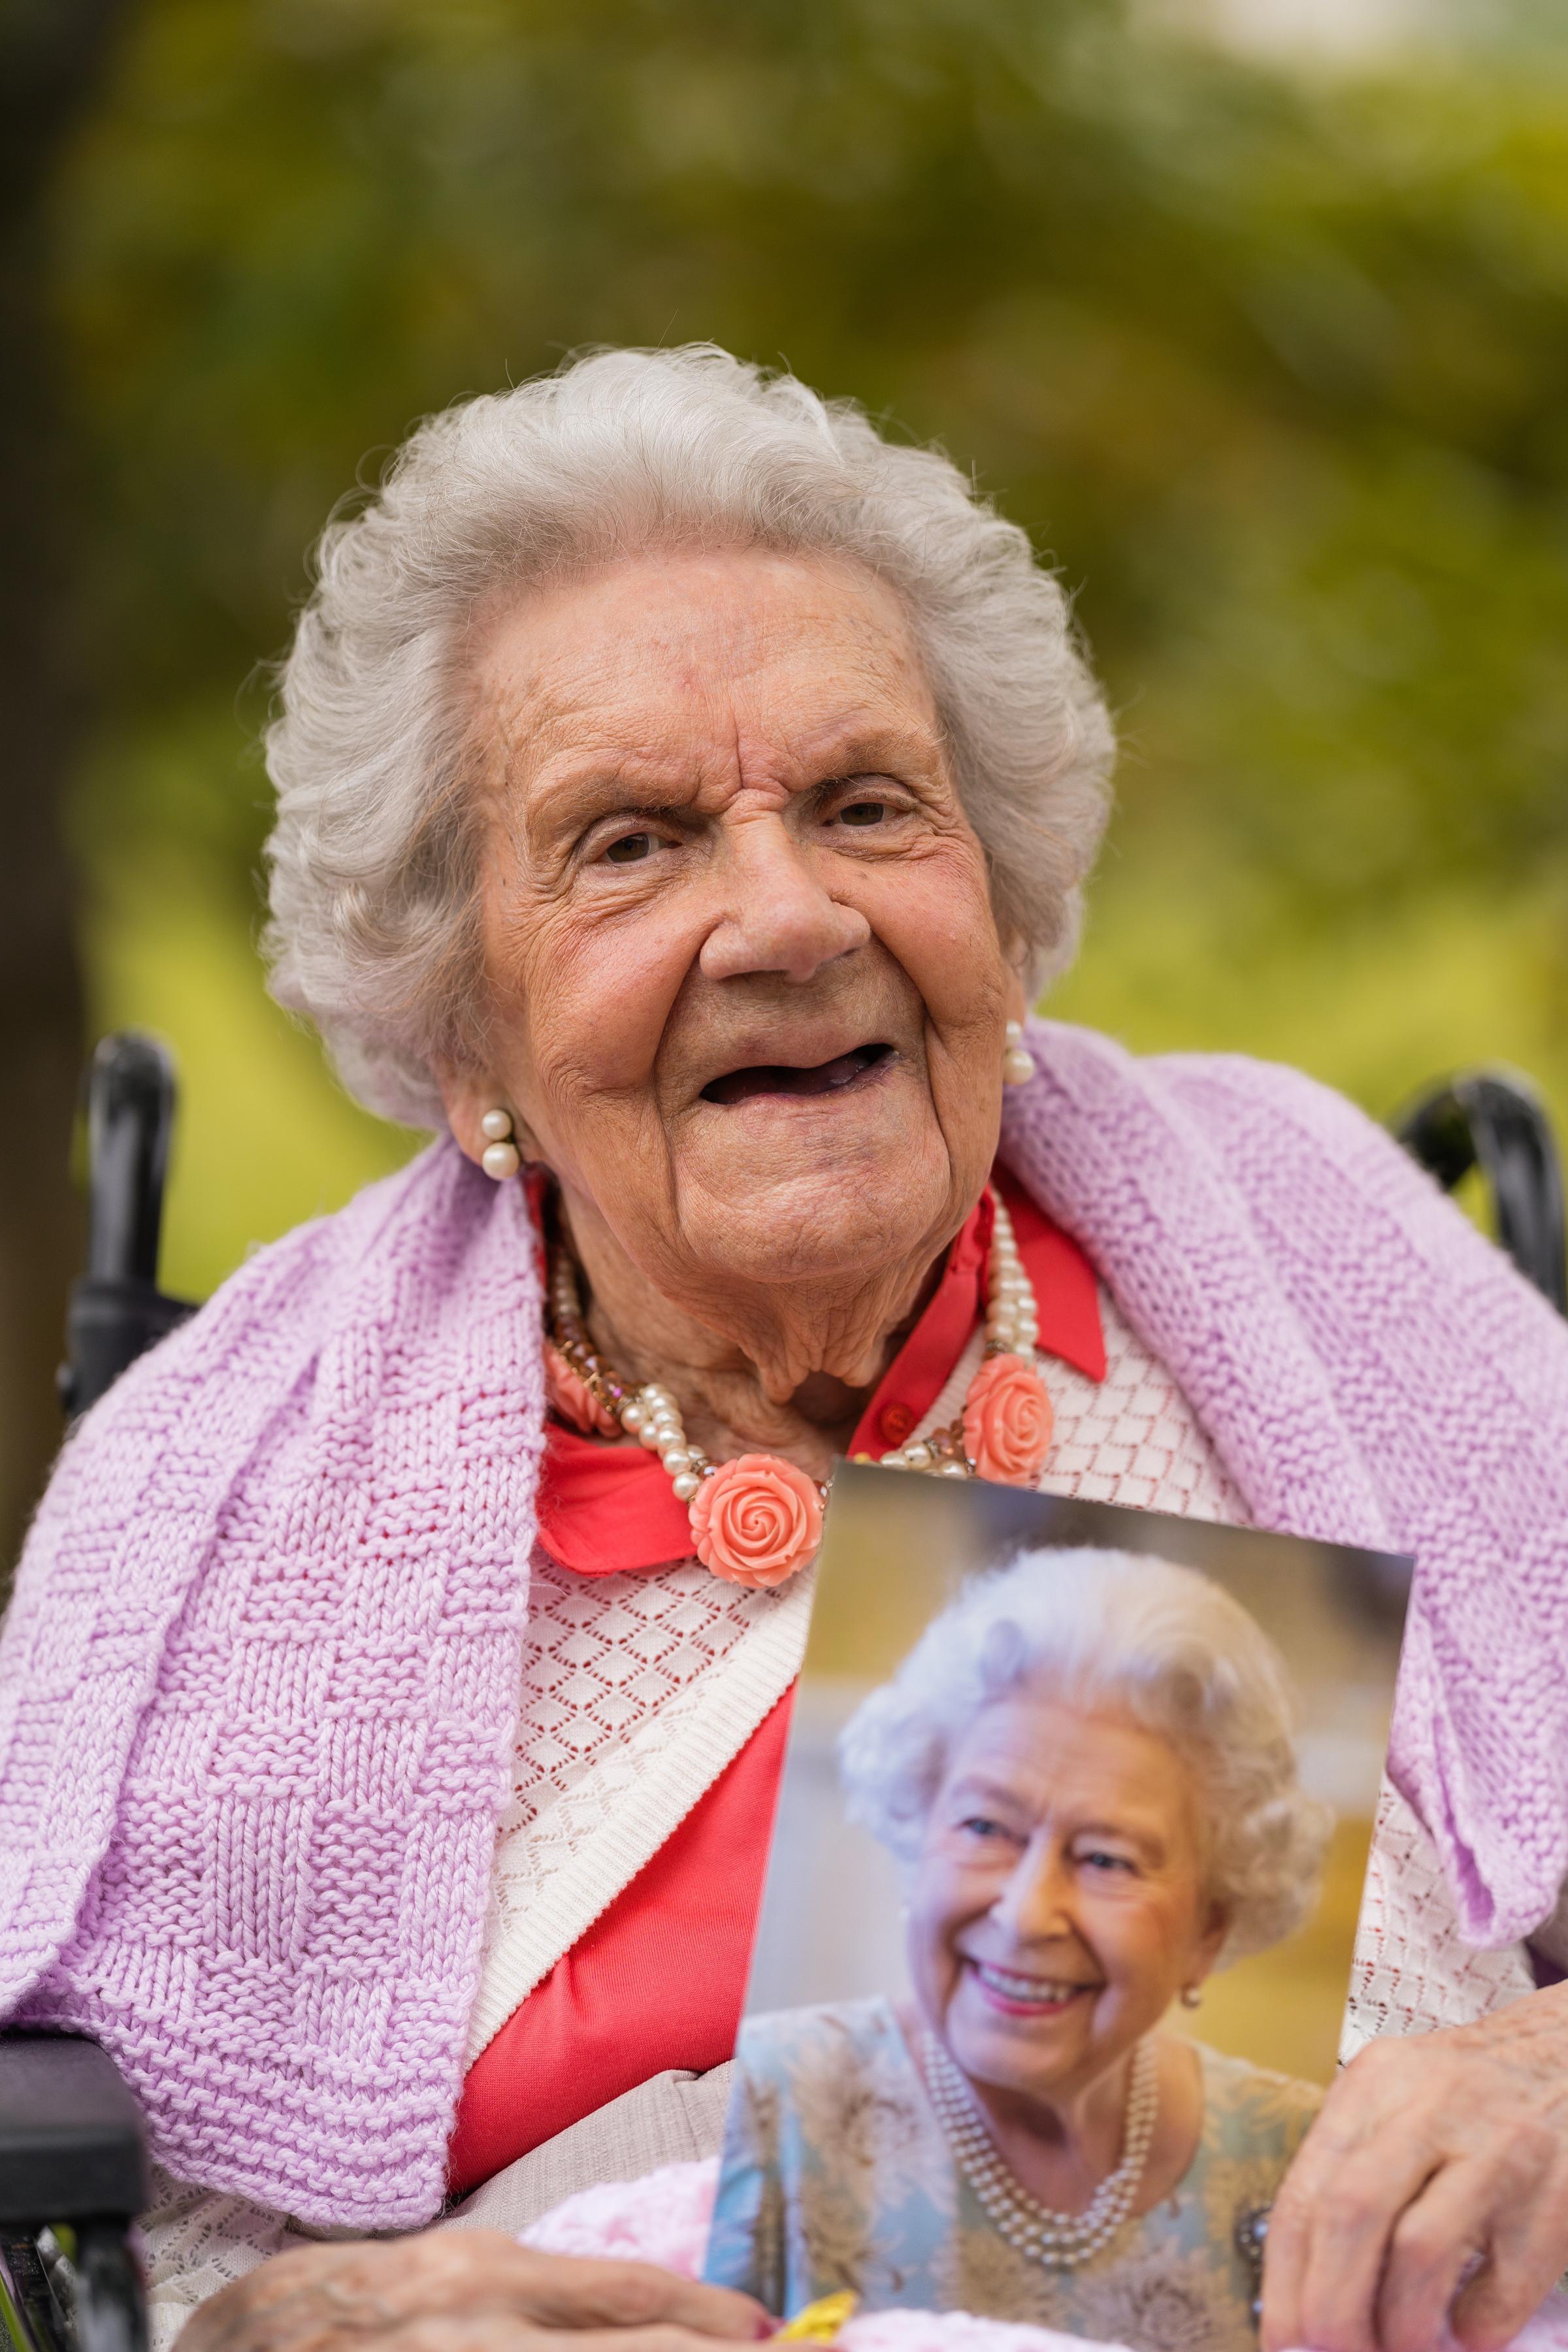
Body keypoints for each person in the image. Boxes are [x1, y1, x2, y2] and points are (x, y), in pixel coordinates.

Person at [1, 344, 1566, 2352]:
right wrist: (303, 2334)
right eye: (634, 842)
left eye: (862, 805)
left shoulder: (1300, 1249)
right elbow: (148, 2253)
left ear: (998, 908)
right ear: (458, 1022)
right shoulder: (222, 1489)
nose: (786, 916)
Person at [704, 1548, 1331, 2352]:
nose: (1029, 1914)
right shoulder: (775, 2099)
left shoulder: (1295, 2152)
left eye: (1108, 1858)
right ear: (918, 1836)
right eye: (987, 1828)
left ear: (1210, 1929)